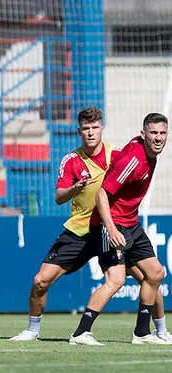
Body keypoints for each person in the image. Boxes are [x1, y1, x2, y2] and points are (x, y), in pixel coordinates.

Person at [10, 106, 169, 341]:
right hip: (84, 230)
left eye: (95, 128)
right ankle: (33, 330)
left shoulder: (117, 154)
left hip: (114, 226)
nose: (91, 133)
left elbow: (134, 155)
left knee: (152, 276)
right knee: (40, 281)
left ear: (102, 130)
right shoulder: (72, 160)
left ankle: (160, 331)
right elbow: (59, 197)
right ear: (79, 132)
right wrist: (75, 188)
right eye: (86, 128)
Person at [69, 113, 172, 346]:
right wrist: (111, 229)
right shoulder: (134, 161)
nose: (158, 138)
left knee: (155, 273)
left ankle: (142, 333)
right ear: (143, 133)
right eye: (153, 133)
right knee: (116, 280)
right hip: (112, 225)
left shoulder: (148, 152)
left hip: (131, 224)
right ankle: (81, 333)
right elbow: (102, 194)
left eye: (162, 133)